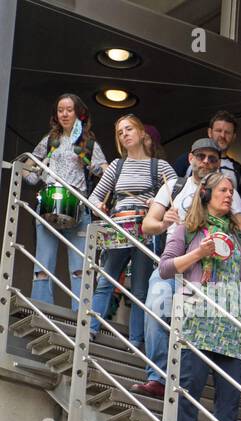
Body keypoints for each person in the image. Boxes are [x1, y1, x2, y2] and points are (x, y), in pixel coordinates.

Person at [159, 170, 241, 421]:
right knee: (191, 380)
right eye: (223, 190)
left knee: (230, 387)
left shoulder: (237, 232)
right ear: (206, 195)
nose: (229, 195)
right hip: (197, 313)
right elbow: (166, 268)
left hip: (232, 317)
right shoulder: (189, 228)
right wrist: (198, 253)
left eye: (231, 191)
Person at [132, 137, 241, 399]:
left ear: (219, 164)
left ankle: (188, 383)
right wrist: (164, 222)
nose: (206, 161)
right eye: (201, 156)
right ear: (191, 158)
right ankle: (159, 377)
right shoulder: (175, 186)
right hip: (176, 263)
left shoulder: (229, 192)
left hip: (212, 272)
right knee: (157, 304)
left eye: (212, 158)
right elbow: (147, 225)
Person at [88, 114, 177, 345]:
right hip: (119, 228)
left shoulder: (159, 166)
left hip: (145, 231)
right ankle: (90, 329)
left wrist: (159, 203)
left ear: (141, 133)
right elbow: (94, 196)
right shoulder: (117, 166)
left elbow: (177, 192)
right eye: (120, 132)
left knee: (140, 290)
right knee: (106, 280)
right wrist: (98, 205)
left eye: (128, 129)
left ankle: (135, 342)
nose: (124, 134)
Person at [23, 93, 106, 307]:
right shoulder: (50, 139)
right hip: (50, 201)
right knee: (43, 262)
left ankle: (80, 316)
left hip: (78, 203)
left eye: (69, 109)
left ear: (79, 113)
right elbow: (30, 169)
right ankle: (40, 309)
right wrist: (28, 170)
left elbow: (105, 172)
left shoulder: (89, 141)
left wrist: (88, 163)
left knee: (80, 267)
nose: (65, 114)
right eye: (60, 110)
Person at [175, 110, 241, 205]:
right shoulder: (186, 160)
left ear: (234, 137)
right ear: (210, 132)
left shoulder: (239, 170)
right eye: (218, 131)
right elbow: (172, 190)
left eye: (227, 132)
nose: (222, 135)